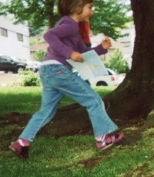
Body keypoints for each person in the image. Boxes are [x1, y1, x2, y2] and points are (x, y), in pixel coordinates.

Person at [9, 0, 123, 159]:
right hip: (58, 70)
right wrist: (69, 53)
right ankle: (103, 139)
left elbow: (83, 53)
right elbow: (49, 35)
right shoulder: (70, 25)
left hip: (47, 70)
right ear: (77, 8)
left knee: (47, 111)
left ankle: (21, 143)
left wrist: (101, 48)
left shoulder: (72, 28)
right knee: (93, 100)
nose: (91, 12)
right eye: (89, 7)